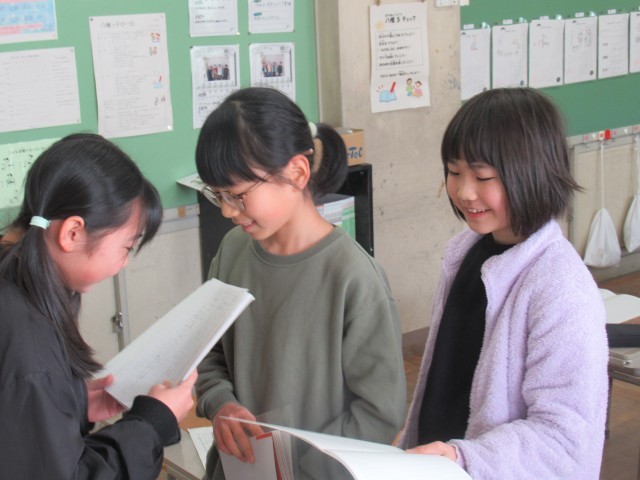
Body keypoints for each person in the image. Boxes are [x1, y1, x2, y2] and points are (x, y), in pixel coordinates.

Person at [194, 87, 406, 479]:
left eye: (237, 194)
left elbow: (378, 414)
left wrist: (301, 468)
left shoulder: (353, 277)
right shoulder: (233, 251)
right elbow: (206, 352)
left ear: (296, 172)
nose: (226, 210)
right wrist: (220, 402)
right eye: (217, 194)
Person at [398, 88, 609, 479]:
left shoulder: (561, 288)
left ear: (532, 172)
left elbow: (564, 438)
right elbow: (446, 379)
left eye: (482, 176)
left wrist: (465, 459)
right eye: (454, 172)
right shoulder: (464, 252)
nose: (464, 192)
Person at [0, 133, 197, 479]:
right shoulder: (27, 341)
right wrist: (152, 423)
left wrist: (73, 401)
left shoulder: (14, 288)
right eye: (126, 247)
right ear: (72, 233)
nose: (124, 263)